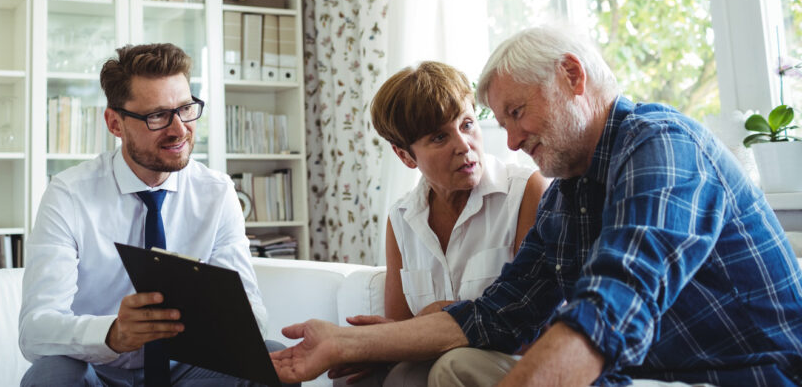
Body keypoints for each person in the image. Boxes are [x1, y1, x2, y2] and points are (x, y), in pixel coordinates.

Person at [271, 26, 802, 386]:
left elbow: (612, 305)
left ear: (573, 77)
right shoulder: (570, 191)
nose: (511, 139)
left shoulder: (660, 144)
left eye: (516, 112)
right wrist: (342, 343)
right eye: (501, 122)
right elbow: (496, 314)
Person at [20, 42, 271, 387]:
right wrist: (113, 333)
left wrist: (220, 323)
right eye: (157, 116)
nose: (180, 129)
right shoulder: (68, 195)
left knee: (270, 362)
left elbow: (253, 315)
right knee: (51, 376)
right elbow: (36, 329)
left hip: (189, 368)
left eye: (185, 109)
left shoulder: (217, 192)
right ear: (115, 123)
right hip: (99, 371)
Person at [334, 62, 547, 386]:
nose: (463, 145)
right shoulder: (402, 218)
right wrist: (374, 347)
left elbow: (535, 326)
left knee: (439, 368)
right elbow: (402, 330)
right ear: (406, 156)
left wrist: (439, 313)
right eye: (438, 137)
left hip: (516, 362)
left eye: (467, 124)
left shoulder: (526, 191)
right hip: (435, 362)